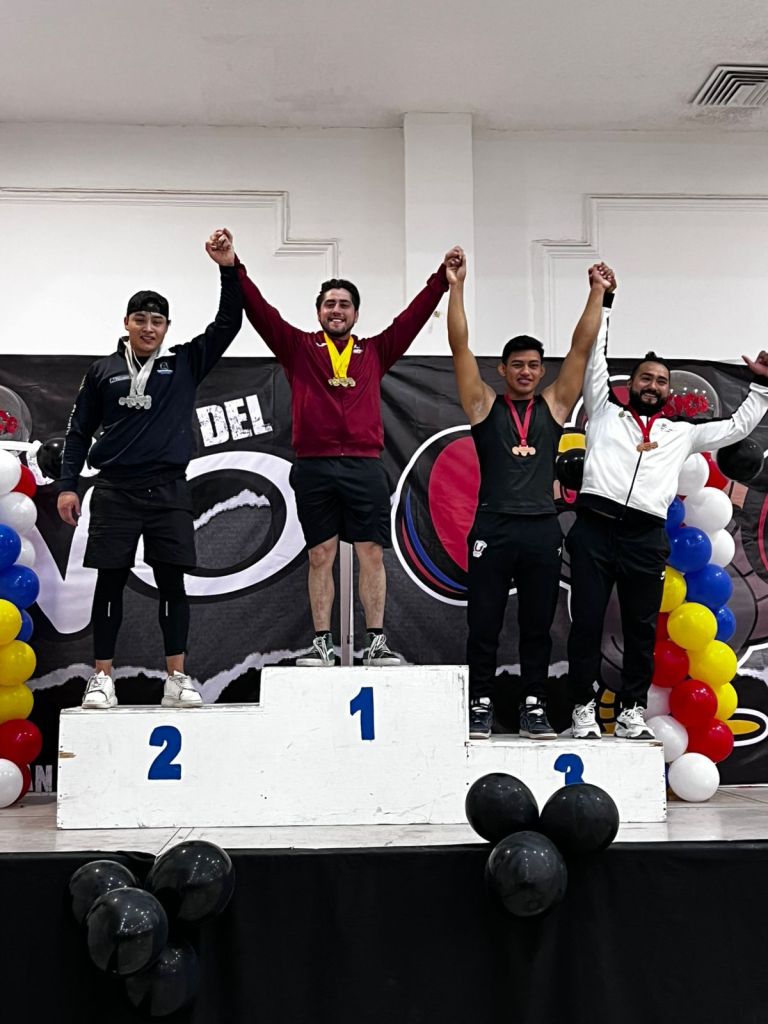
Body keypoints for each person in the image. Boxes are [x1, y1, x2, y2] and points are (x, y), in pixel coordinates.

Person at [219, 228, 461, 666]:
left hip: (364, 465)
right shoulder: (298, 348)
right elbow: (260, 312)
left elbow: (411, 319)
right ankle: (322, 644)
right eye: (330, 303)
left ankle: (376, 643)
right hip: (314, 465)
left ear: (355, 313)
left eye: (344, 304)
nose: (337, 309)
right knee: (320, 554)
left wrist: (440, 280)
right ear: (319, 311)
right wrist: (234, 266)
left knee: (371, 553)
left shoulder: (375, 351)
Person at [567, 287, 768, 739]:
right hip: (594, 529)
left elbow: (737, 426)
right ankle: (582, 708)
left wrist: (761, 385)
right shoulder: (603, 411)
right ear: (632, 384)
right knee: (587, 624)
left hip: (644, 537)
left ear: (668, 391)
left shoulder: (683, 433)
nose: (653, 385)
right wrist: (604, 302)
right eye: (646, 378)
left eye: (661, 381)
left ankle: (631, 712)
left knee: (640, 629)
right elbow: (594, 357)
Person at [57, 229, 243, 709]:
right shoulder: (102, 371)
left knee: (173, 585)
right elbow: (78, 432)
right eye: (140, 319)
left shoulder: (184, 363)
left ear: (166, 327)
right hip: (115, 491)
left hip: (168, 490)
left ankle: (176, 679)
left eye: (157, 321)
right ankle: (102, 679)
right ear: (126, 322)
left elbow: (228, 323)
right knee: (109, 583)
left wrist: (228, 268)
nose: (148, 327)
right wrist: (68, 485)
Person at [447, 251, 616, 739]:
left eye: (534, 366)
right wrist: (455, 286)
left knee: (538, 626)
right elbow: (459, 346)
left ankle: (534, 706)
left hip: (542, 528)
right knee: (483, 622)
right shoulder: (482, 405)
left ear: (542, 372)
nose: (525, 372)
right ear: (502, 369)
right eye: (517, 365)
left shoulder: (556, 404)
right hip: (494, 526)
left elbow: (580, 349)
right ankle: (480, 704)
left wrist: (597, 293)